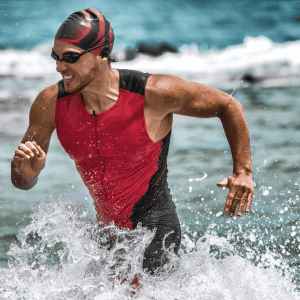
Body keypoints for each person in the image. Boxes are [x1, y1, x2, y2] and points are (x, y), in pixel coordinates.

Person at [11, 8, 254, 275]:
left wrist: (243, 171)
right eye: (55, 57)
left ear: (101, 54)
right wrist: (27, 173)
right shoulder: (50, 103)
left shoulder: (152, 93)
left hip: (154, 231)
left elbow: (227, 105)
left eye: (70, 57)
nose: (59, 67)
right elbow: (21, 181)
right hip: (106, 237)